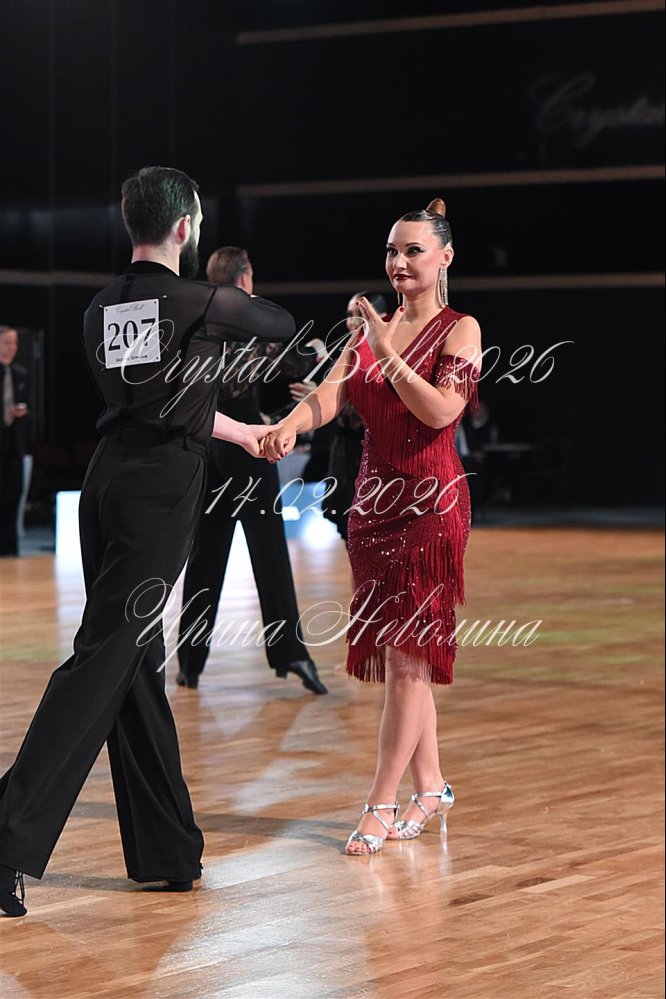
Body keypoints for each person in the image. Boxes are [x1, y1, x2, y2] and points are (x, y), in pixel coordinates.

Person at [0, 166, 295, 917]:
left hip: (105, 482)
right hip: (157, 492)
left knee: (133, 662)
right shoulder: (201, 302)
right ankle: (6, 837)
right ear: (185, 228)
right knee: (105, 656)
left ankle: (168, 849)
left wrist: (243, 431)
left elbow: (161, 404)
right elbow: (279, 326)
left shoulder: (100, 307)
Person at [262, 198, 482, 855]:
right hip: (372, 507)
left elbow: (441, 412)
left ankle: (380, 802)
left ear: (444, 257)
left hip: (431, 506)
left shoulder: (460, 329)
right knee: (402, 656)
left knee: (410, 659)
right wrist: (288, 425)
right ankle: (431, 785)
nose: (399, 262)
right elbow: (331, 394)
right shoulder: (369, 330)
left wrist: (386, 349)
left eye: (413, 250)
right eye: (392, 250)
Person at [175, 246, 327, 695]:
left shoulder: (199, 324)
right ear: (244, 279)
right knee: (269, 553)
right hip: (248, 451)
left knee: (205, 557)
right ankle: (291, 654)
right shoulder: (251, 323)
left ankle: (189, 662)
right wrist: (318, 354)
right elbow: (298, 363)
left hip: (208, 447)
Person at [0, 326, 31, 556]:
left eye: (15, 343)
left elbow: (30, 407)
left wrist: (24, 412)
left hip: (14, 444)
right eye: (7, 342)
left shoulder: (20, 373)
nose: (12, 348)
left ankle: (9, 546)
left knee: (14, 491)